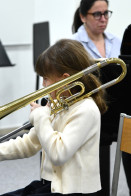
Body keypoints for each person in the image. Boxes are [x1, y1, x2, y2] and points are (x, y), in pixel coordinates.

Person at [0, 39, 107, 196]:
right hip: (51, 185)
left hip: (74, 191)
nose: (43, 84)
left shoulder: (86, 109)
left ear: (65, 79)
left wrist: (41, 117)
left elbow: (58, 154)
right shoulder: (59, 104)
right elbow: (30, 143)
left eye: (46, 78)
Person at [72, 1, 131, 195]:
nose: (103, 18)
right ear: (83, 16)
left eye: (106, 13)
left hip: (117, 108)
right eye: (97, 14)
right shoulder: (72, 45)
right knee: (98, 176)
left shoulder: (117, 40)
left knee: (129, 129)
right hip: (90, 112)